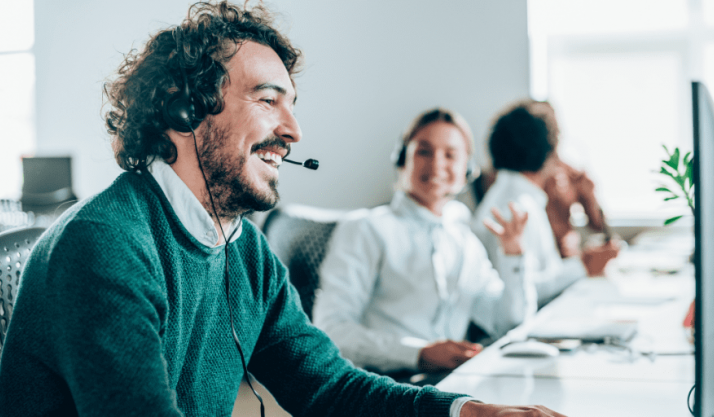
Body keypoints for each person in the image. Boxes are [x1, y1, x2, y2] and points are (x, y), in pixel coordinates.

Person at [0, 3, 565, 417]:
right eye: (269, 100)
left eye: (291, 106)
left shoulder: (243, 248)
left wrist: (465, 412)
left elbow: (323, 384)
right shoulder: (107, 245)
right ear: (184, 107)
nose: (292, 131)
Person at [313, 108, 537, 376]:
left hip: (446, 384)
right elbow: (332, 331)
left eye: (450, 155)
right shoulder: (366, 228)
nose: (437, 164)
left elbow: (507, 322)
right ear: (401, 159)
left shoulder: (463, 239)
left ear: (467, 169)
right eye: (424, 151)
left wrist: (514, 255)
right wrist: (418, 354)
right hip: (382, 387)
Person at [472, 102, 619, 308]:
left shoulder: (509, 196)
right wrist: (583, 266)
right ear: (551, 153)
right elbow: (523, 290)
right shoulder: (518, 207)